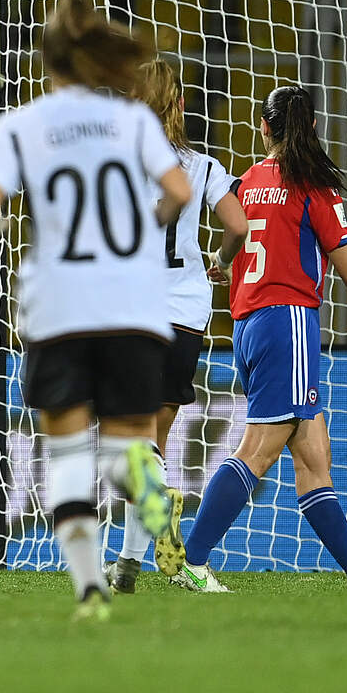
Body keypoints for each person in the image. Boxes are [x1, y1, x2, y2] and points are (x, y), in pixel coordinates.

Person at [0, 0, 194, 620]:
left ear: (45, 64)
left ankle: (89, 588)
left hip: (60, 303)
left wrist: (0, 237)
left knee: (67, 454)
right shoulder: (133, 122)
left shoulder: (21, 124)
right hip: (134, 304)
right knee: (126, 447)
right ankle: (148, 495)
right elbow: (178, 192)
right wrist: (142, 231)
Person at [173, 85, 347, 593]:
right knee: (257, 452)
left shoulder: (243, 183)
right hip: (287, 322)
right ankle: (191, 559)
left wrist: (221, 265)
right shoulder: (313, 187)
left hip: (247, 327)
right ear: (310, 127)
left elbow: (234, 237)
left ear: (263, 128)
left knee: (312, 458)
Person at [103, 59, 250, 594]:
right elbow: (239, 224)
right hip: (186, 314)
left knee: (135, 445)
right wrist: (223, 257)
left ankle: (167, 549)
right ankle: (128, 566)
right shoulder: (203, 166)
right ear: (182, 104)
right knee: (153, 443)